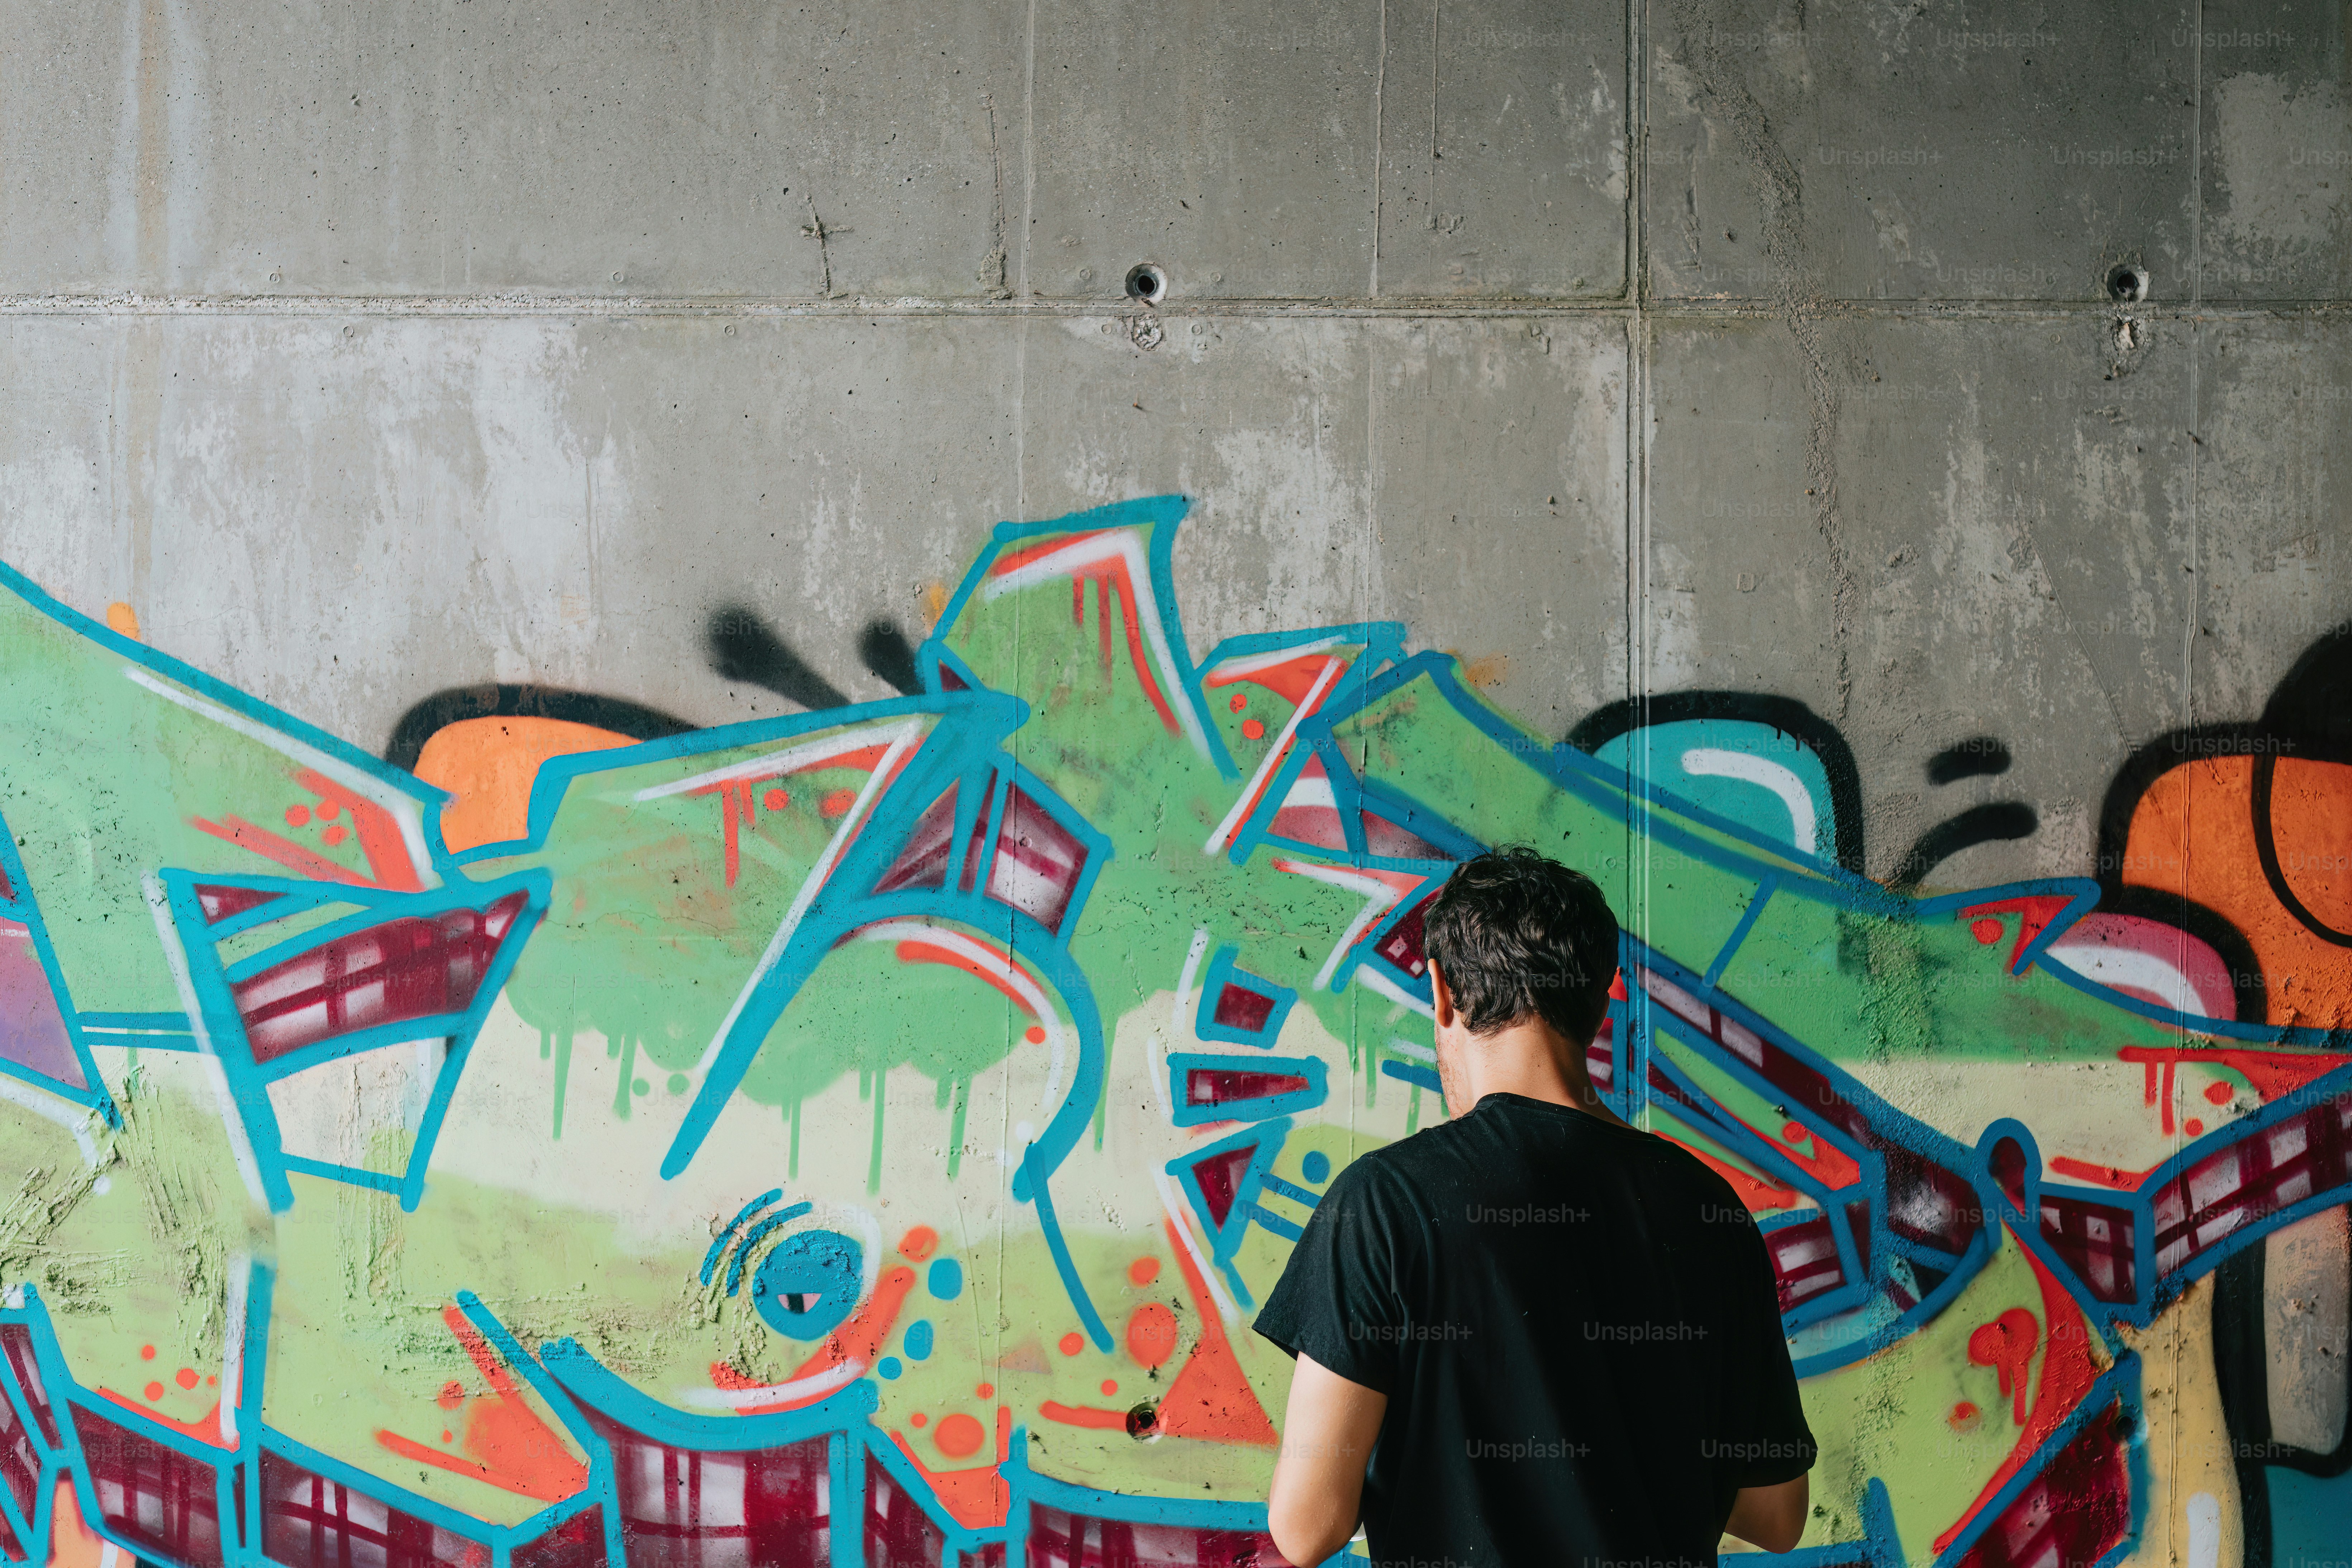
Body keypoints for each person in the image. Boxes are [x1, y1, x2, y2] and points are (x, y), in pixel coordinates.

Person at [1252, 847, 1814, 1566]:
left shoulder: (1385, 1204)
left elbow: (1305, 1527)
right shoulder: (1707, 1206)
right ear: (1599, 995)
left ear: (1444, 991)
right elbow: (1775, 1515)